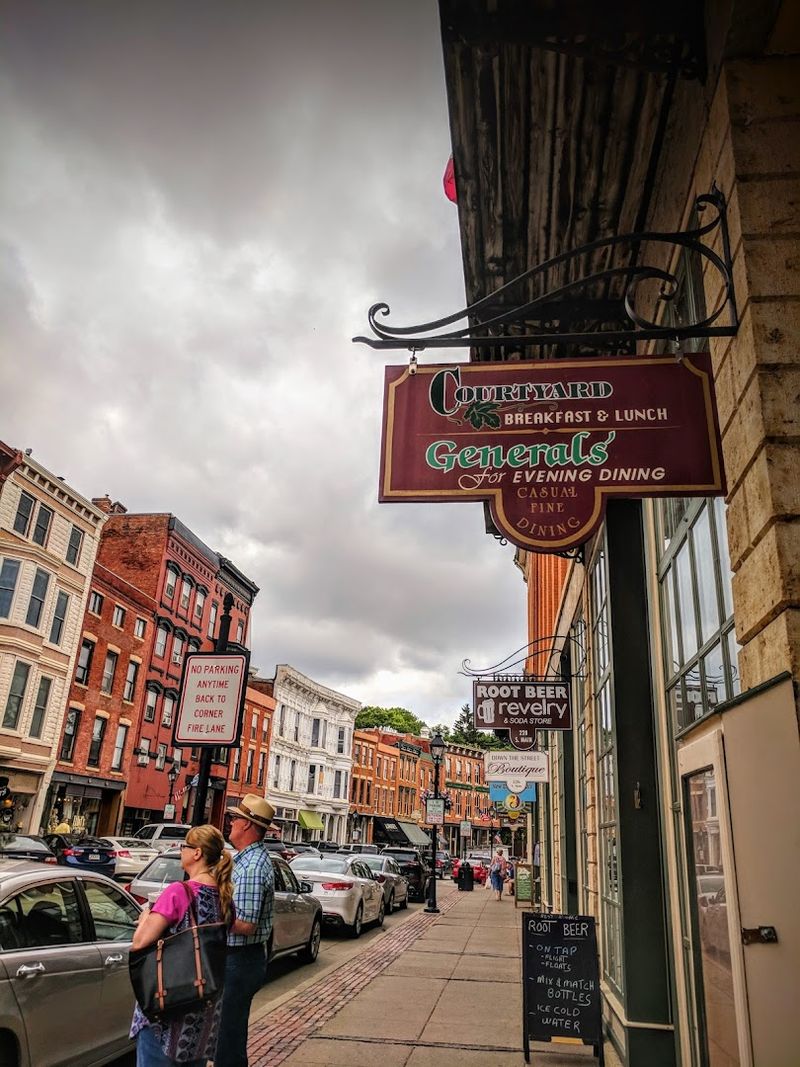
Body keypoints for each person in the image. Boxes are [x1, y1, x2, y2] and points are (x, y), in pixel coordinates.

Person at [130, 824, 233, 1067]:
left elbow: (140, 942)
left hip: (168, 1008)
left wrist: (146, 916)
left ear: (196, 853)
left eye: (184, 846)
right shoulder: (224, 895)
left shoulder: (178, 892)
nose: (180, 850)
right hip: (204, 1010)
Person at [215, 794, 276, 1067]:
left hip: (240, 959)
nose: (230, 823)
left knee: (227, 1038)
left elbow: (246, 925)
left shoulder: (252, 866)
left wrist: (210, 915)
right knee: (227, 1034)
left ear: (248, 826)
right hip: (239, 959)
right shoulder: (245, 860)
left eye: (235, 818)